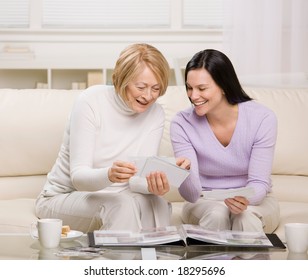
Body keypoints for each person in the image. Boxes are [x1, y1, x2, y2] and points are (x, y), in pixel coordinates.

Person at [35, 43, 189, 233]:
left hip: (121, 195)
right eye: (141, 87)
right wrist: (109, 174)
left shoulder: (155, 113)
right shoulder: (90, 101)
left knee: (157, 203)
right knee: (121, 205)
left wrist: (157, 183)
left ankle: (152, 262)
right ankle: (116, 263)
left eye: (156, 89)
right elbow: (79, 178)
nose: (148, 96)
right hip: (64, 196)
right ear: (122, 79)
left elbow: (137, 180)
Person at [170, 49, 280, 233]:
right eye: (189, 87)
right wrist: (185, 173)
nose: (193, 96)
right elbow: (192, 194)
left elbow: (259, 183)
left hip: (253, 199)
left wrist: (245, 200)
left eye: (202, 88)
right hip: (204, 201)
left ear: (223, 86)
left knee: (245, 219)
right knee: (217, 214)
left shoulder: (262, 119)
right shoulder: (182, 123)